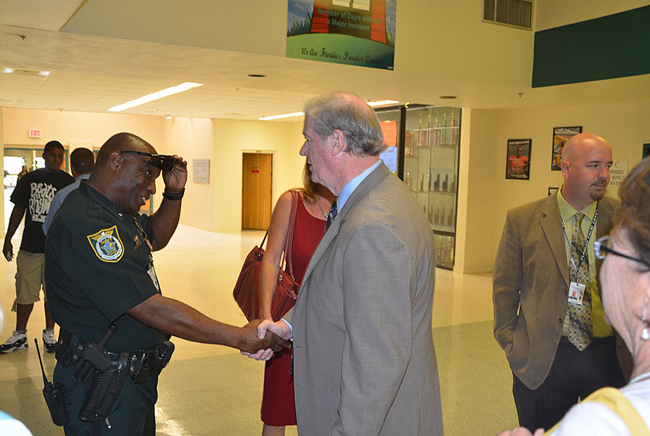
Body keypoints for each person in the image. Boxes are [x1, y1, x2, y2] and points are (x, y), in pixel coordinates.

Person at [44, 132, 289, 435]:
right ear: (116, 161)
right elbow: (149, 308)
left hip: (126, 381)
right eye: (147, 174)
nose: (152, 187)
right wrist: (237, 336)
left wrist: (175, 194)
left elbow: (155, 237)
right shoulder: (84, 222)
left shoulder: (115, 212)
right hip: (99, 384)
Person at [251, 92, 443, 435]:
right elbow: (345, 294)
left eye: (309, 140)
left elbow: (376, 365)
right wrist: (289, 326)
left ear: (336, 142)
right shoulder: (376, 198)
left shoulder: (372, 226)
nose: (303, 151)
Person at [497, 156, 650, 435]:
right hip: (544, 357)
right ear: (565, 169)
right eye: (594, 165)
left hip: (609, 355)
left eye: (609, 165)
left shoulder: (623, 216)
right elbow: (505, 287)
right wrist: (513, 345)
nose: (604, 174)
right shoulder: (523, 218)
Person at [258, 163, 334, 436]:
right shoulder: (292, 202)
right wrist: (266, 316)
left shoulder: (350, 209)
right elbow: (271, 260)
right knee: (277, 411)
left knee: (324, 412)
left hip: (332, 328)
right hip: (288, 324)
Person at [0, 140, 74, 354]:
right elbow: (19, 210)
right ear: (44, 155)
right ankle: (20, 335)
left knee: (52, 293)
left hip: (56, 250)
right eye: (52, 155)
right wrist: (7, 239)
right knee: (24, 291)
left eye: (60, 156)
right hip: (30, 247)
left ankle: (49, 334)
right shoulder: (29, 180)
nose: (56, 159)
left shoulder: (68, 182)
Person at [42, 147, 95, 235]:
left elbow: (48, 229)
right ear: (94, 166)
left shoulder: (62, 195)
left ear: (72, 169)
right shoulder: (108, 192)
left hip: (70, 246)